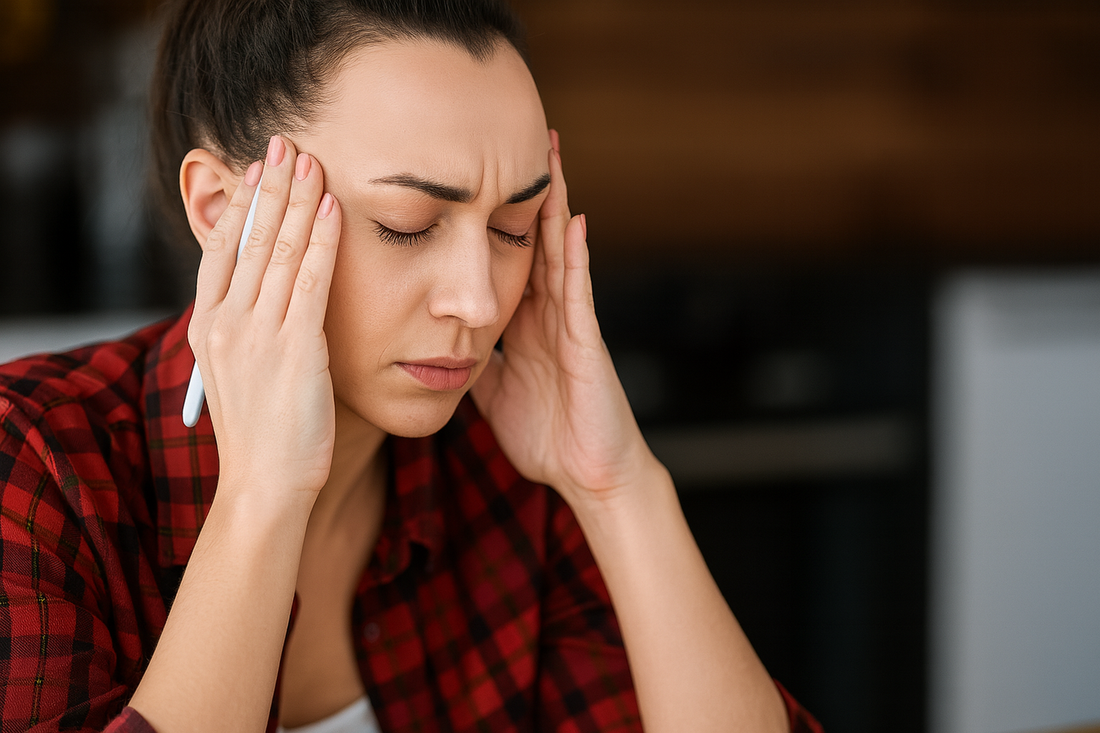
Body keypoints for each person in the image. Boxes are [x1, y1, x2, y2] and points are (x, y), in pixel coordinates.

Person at [0, 1, 824, 731]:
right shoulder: (34, 466)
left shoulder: (512, 484)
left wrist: (617, 488)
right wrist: (265, 493)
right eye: (407, 223)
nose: (478, 300)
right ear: (226, 214)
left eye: (514, 227)